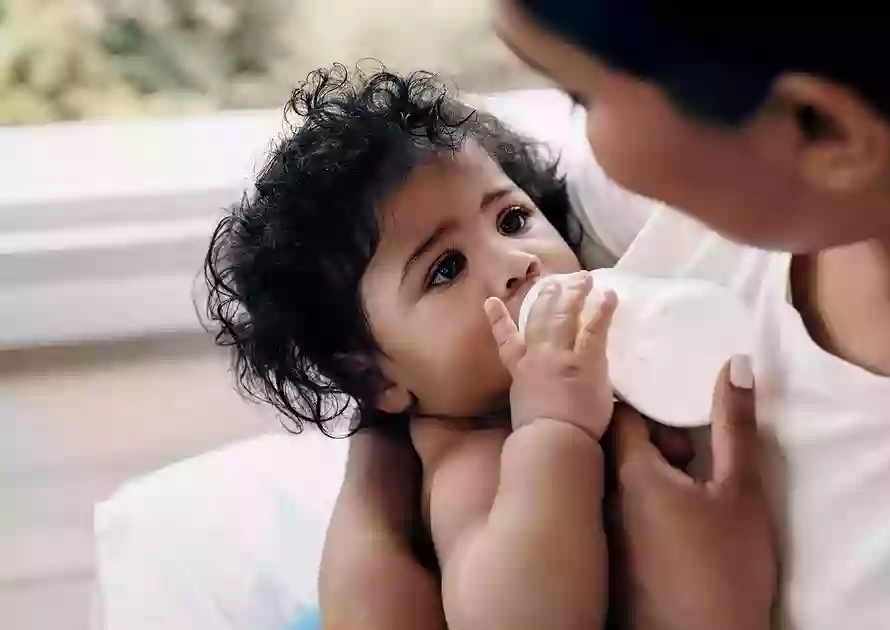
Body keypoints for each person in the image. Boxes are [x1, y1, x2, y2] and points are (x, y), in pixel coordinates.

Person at [322, 2, 890, 629]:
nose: (519, 251)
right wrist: (378, 545)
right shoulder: (732, 169)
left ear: (820, 129)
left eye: (582, 97)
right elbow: (405, 360)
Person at [203, 65, 638, 630]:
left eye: (511, 219)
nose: (515, 264)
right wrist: (554, 432)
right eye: (446, 269)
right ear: (377, 381)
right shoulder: (471, 457)